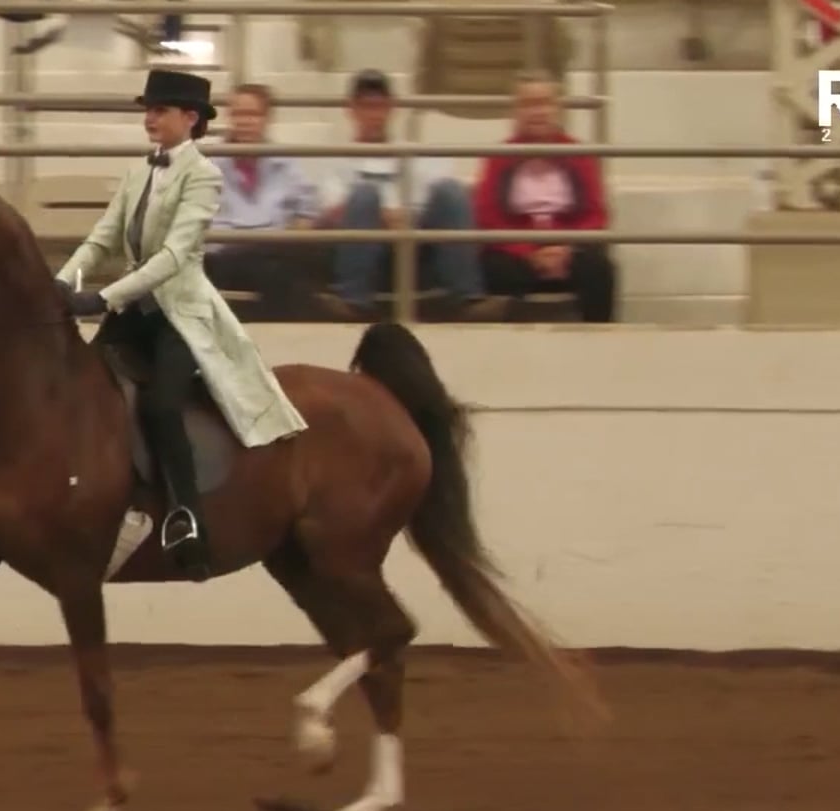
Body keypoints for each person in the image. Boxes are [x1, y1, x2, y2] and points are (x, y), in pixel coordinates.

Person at [55, 68, 308, 581]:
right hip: (133, 313)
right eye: (148, 110)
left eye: (160, 110)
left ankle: (185, 518)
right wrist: (62, 282)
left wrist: (103, 296)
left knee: (161, 404)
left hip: (179, 315)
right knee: (83, 390)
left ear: (190, 119)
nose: (149, 118)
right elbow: (101, 239)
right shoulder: (137, 173)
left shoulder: (205, 177)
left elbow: (173, 256)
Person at [314, 69, 504, 321]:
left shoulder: (415, 154)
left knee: (451, 189)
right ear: (352, 110)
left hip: (417, 241)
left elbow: (441, 203)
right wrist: (382, 217)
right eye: (366, 107)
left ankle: (467, 299)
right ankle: (353, 300)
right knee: (364, 195)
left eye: (379, 107)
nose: (373, 115)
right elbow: (334, 212)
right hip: (364, 242)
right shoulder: (335, 159)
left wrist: (408, 219)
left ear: (391, 109)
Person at [471, 71, 618, 323]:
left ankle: (600, 342)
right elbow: (488, 217)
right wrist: (528, 252)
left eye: (545, 103)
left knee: (600, 268)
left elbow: (595, 214)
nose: (538, 112)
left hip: (569, 249)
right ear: (516, 111)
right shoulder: (499, 157)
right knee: (492, 269)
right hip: (517, 254)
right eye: (529, 104)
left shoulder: (579, 154)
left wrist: (566, 249)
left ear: (558, 108)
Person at [206, 82, 322, 321]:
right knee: (283, 274)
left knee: (285, 268)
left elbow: (307, 208)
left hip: (273, 253)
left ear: (267, 118)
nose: (245, 121)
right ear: (229, 117)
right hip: (224, 255)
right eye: (239, 114)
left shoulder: (285, 163)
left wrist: (300, 226)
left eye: (253, 114)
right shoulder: (209, 164)